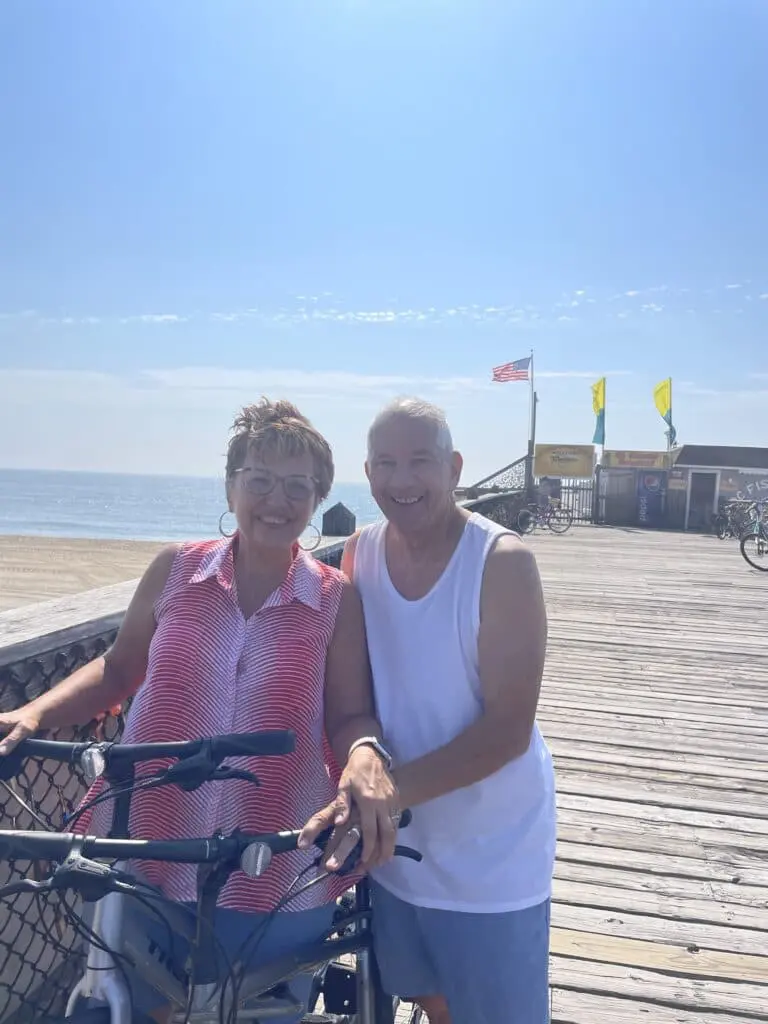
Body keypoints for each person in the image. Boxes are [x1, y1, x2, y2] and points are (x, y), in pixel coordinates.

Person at [0, 398, 400, 1024]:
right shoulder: (176, 569)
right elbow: (119, 667)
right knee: (134, 1005)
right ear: (231, 484)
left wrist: (365, 753)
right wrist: (35, 712)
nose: (277, 499)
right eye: (260, 479)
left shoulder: (334, 598)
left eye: (298, 486)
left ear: (319, 498)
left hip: (274, 856)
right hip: (147, 841)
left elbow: (350, 714)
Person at [302, 396, 556, 1024]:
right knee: (431, 1003)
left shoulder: (502, 563)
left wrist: (385, 795)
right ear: (368, 474)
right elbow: (355, 703)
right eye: (386, 464)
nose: (402, 480)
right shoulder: (359, 554)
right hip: (398, 854)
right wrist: (362, 755)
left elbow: (507, 731)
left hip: (491, 856)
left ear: (455, 468)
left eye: (421, 461)